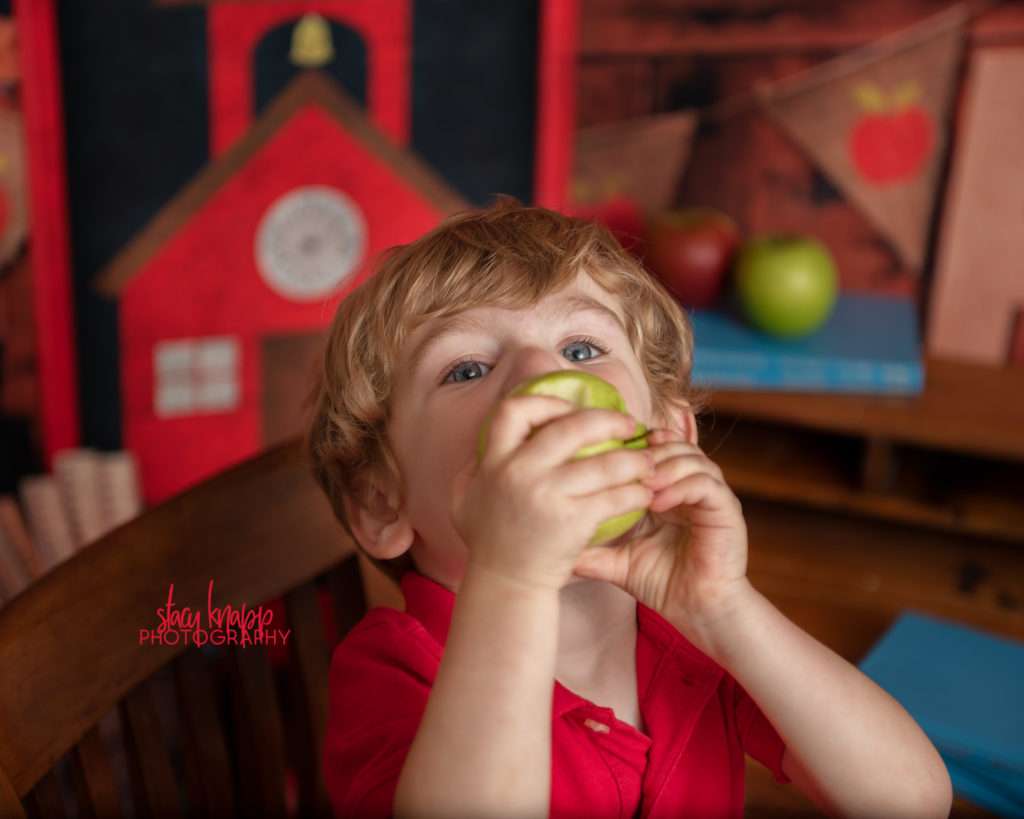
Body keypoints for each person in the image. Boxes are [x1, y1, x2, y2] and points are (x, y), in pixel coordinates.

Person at [306, 197, 952, 818]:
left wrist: (725, 609)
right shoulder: (392, 670)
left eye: (582, 350)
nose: (539, 375)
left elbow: (913, 800)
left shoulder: (690, 634)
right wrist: (513, 575)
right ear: (380, 501)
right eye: (467, 368)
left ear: (664, 435)